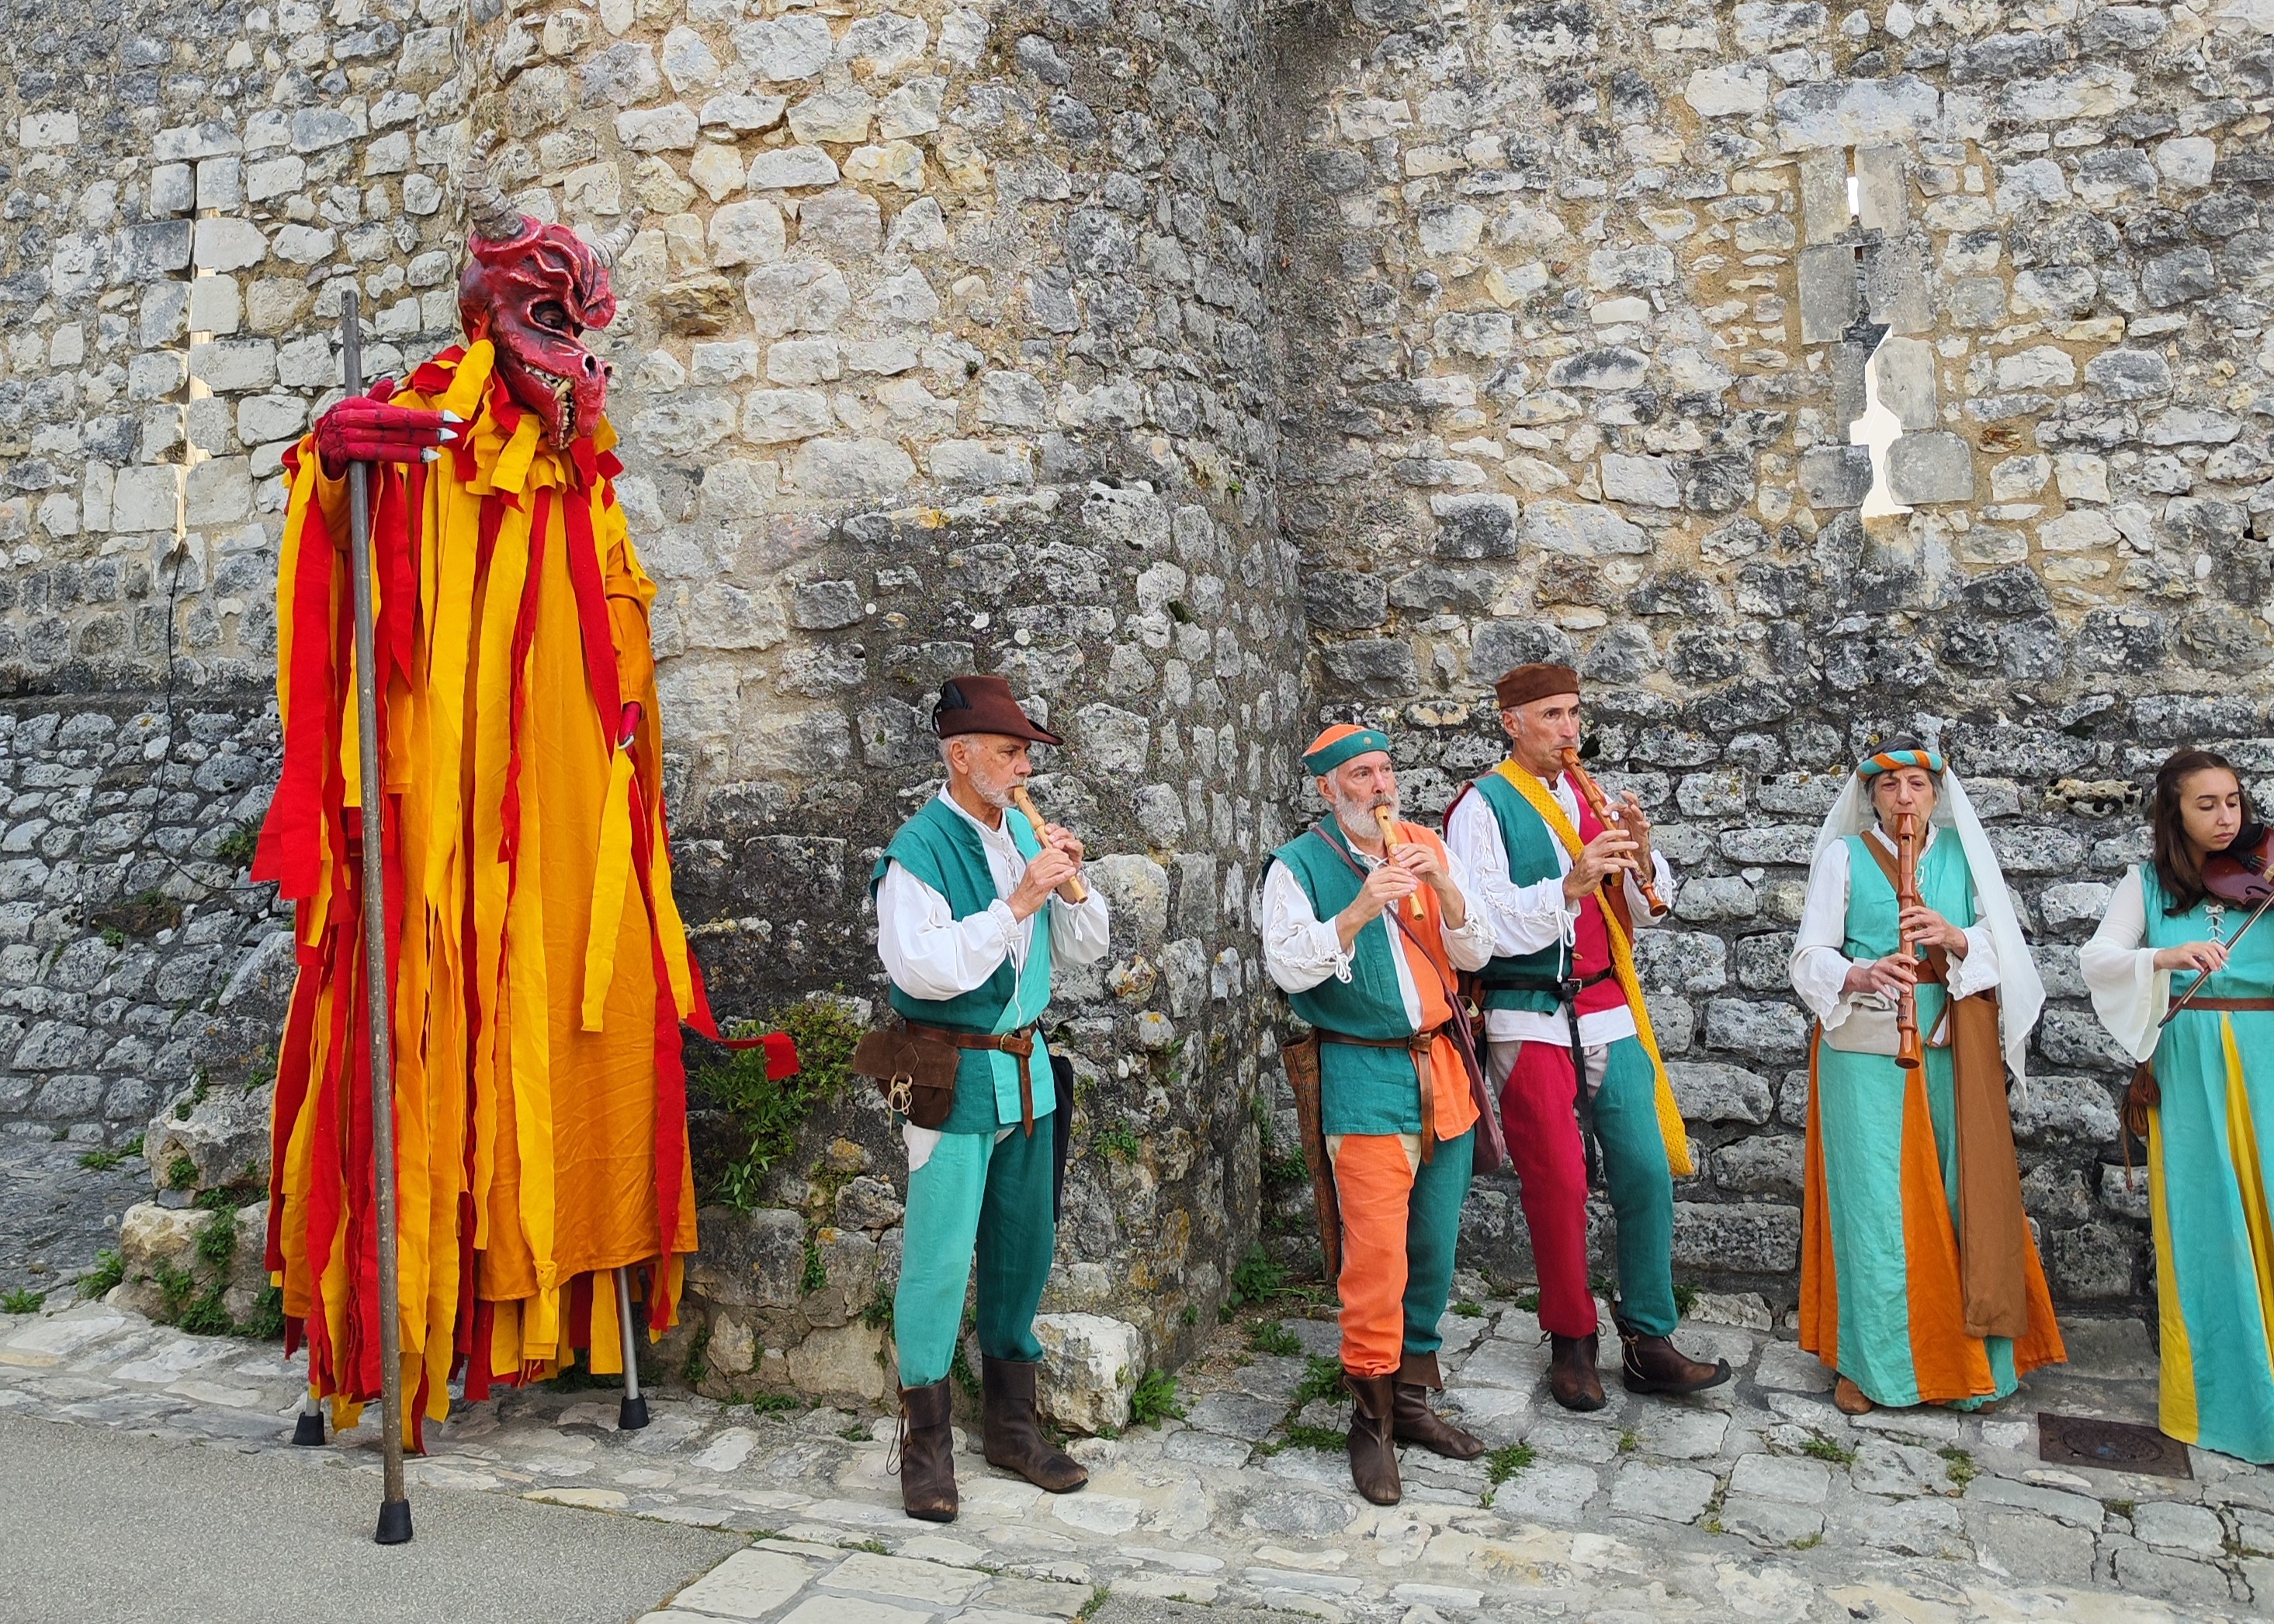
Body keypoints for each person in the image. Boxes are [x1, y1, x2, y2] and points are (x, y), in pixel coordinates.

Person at [258, 135, 796, 1439]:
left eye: (582, 325)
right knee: (428, 1059)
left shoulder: (586, 489)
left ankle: (565, 1321)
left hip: (570, 852)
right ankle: (409, 1332)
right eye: (548, 316)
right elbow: (340, 602)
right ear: (489, 314)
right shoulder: (421, 438)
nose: (577, 351)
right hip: (438, 838)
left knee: (582, 1060)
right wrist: (335, 473)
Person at [1444, 664, 1729, 1411]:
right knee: (1560, 1182)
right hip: (1527, 1009)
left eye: (1574, 713)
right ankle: (1571, 1339)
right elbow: (1477, 922)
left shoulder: (1588, 796)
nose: (1570, 730)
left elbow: (1643, 902)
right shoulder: (1482, 805)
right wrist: (1568, 885)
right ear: (1512, 722)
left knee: (1644, 1166)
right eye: (1552, 715)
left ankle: (1648, 1339)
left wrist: (1641, 849)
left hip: (1608, 1007)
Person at [872, 674, 1109, 1522]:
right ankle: (925, 1441)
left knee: (1022, 1247)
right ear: (960, 754)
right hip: (950, 1068)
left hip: (1027, 1067)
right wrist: (1020, 899)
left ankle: (1011, 1422)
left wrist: (1070, 887)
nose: (1020, 768)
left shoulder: (1019, 833)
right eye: (1008, 752)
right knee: (938, 1257)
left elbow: (1085, 948)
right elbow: (922, 967)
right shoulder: (919, 848)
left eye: (1024, 754)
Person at [1790, 739, 2064, 1415]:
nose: (1904, 798)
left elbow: (2011, 950)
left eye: (1916, 784)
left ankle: (1971, 1366)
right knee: (1875, 1207)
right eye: (1890, 787)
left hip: (1950, 1047)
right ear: (1872, 796)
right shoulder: (1844, 856)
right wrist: (1859, 972)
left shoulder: (1964, 856)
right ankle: (1871, 1363)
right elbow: (1807, 956)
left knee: (1955, 1195)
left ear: (1936, 793)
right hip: (1863, 1051)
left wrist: (1954, 935)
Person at [1261, 724, 1498, 1505]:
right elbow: (1288, 965)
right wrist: (1362, 906)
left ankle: (1413, 1399)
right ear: (1327, 789)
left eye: (1384, 769)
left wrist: (1450, 890)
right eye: (1359, 774)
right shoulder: (1297, 866)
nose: (1378, 785)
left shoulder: (1424, 843)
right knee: (1374, 1259)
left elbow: (1476, 954)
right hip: (1359, 1069)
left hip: (1441, 1067)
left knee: (1431, 1247)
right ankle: (1369, 1422)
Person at [2082, 748, 2274, 1463]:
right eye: (2207, 805)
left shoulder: (2267, 868)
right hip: (2189, 1063)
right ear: (2174, 813)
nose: (2228, 818)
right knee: (2205, 1225)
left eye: (2234, 801)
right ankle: (2229, 1402)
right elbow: (2098, 960)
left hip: (2269, 1053)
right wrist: (2165, 957)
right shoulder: (2144, 885)